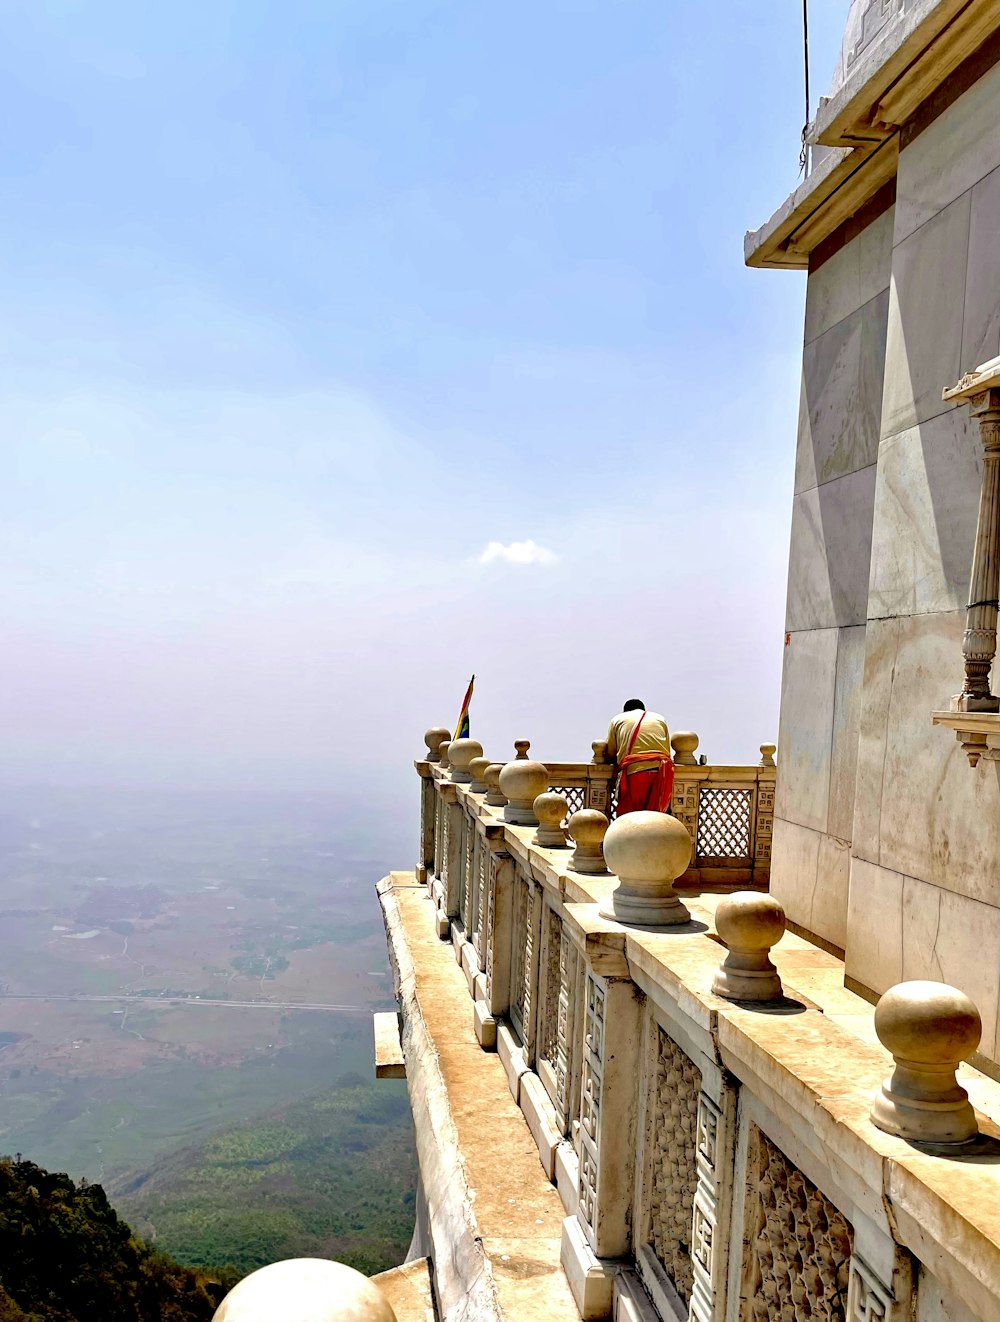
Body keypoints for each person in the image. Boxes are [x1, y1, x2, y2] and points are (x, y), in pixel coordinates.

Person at [606, 699, 674, 815]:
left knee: (632, 819)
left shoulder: (617, 719)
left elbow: (611, 752)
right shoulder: (659, 718)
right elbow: (667, 751)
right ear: (644, 710)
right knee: (657, 820)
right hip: (662, 771)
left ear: (625, 711)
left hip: (636, 772)